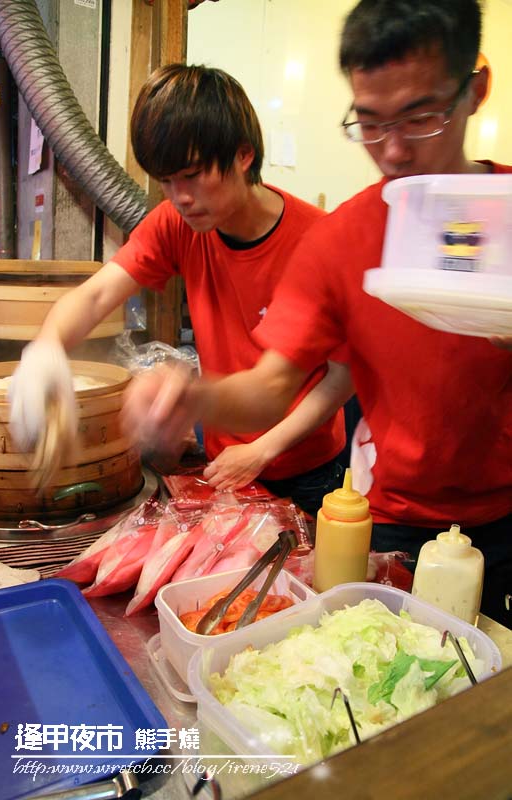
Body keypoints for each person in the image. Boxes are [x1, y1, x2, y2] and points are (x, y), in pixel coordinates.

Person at [121, 0, 512, 626]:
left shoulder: (509, 216)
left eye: (421, 117)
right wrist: (188, 396)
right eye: (371, 123)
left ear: (475, 91)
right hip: (395, 520)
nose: (394, 152)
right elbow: (271, 385)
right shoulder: (339, 241)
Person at [9, 64, 350, 517]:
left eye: (191, 175)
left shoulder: (320, 240)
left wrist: (263, 450)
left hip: (306, 467)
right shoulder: (176, 224)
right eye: (167, 181)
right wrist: (46, 348)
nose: (179, 196)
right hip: (223, 455)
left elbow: (342, 377)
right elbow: (93, 296)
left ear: (243, 155)